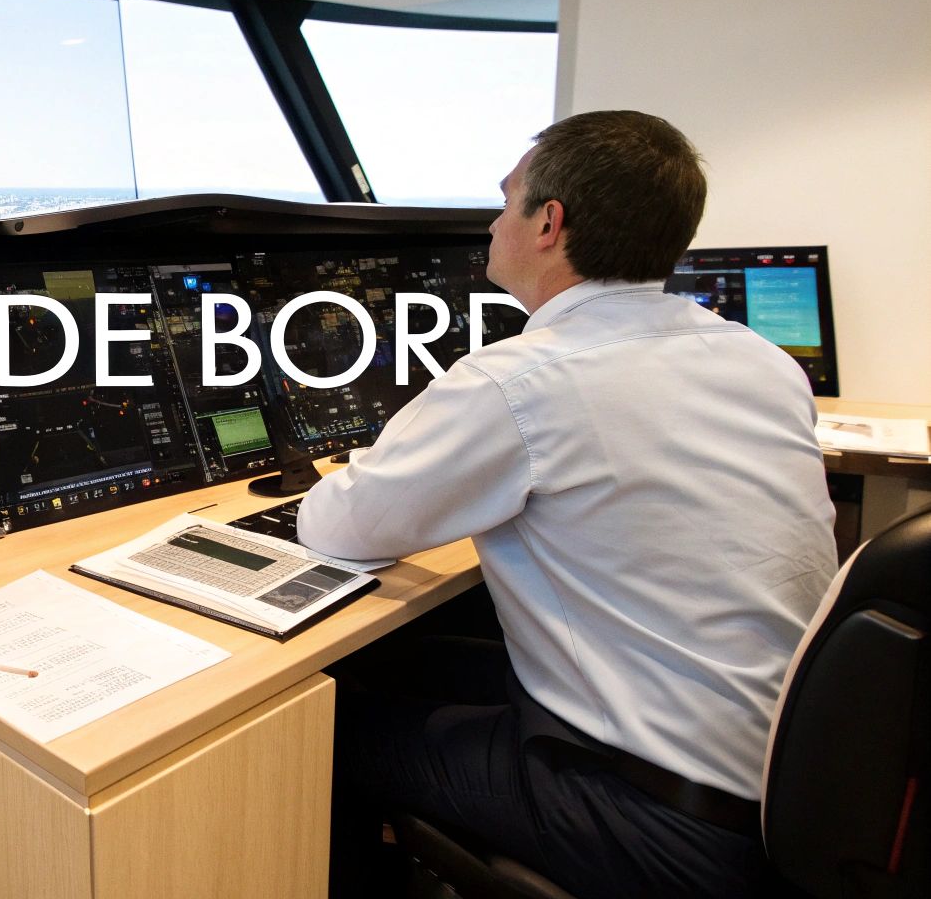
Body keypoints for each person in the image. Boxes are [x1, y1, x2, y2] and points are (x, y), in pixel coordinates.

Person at [297, 110, 836, 898]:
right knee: (423, 659)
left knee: (322, 725)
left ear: (549, 223)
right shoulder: (759, 360)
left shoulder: (520, 381)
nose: (492, 220)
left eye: (506, 198)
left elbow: (336, 527)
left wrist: (369, 458)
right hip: (788, 792)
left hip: (653, 821)